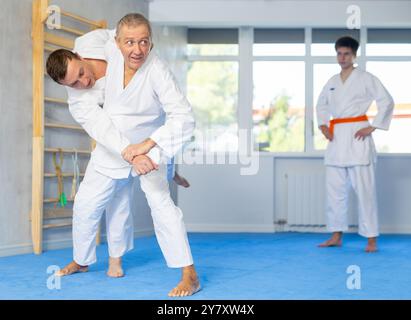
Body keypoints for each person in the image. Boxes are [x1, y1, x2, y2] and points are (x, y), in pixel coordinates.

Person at [46, 14, 200, 296]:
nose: (82, 82)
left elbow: (184, 118)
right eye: (129, 43)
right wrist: (131, 153)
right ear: (119, 44)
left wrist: (148, 145)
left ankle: (189, 273)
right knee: (86, 204)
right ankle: (81, 260)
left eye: (142, 42)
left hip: (150, 144)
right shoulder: (78, 99)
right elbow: (102, 129)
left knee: (161, 204)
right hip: (114, 146)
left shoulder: (138, 60)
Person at [316, 36, 394, 252]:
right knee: (335, 191)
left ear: (354, 55)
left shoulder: (366, 78)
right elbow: (321, 105)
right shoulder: (332, 81)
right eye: (339, 53)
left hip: (358, 135)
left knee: (365, 191)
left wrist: (374, 126)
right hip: (336, 137)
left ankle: (371, 238)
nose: (342, 58)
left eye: (347, 54)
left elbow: (386, 101)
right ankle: (335, 235)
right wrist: (323, 126)